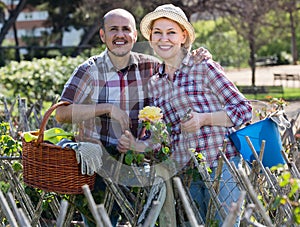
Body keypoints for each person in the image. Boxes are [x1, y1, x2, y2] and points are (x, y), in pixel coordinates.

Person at [55, 7, 211, 227]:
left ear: (135, 36)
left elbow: (182, 71)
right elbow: (61, 113)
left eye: (126, 29)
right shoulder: (89, 70)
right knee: (101, 222)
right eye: (113, 30)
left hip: (140, 166)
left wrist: (199, 56)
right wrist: (106, 108)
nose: (120, 35)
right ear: (103, 35)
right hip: (98, 167)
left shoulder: (151, 66)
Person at [119, 4, 253, 226]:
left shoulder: (203, 67)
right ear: (151, 39)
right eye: (158, 33)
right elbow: (161, 136)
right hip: (189, 173)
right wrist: (136, 143)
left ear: (183, 36)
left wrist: (204, 119)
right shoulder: (155, 83)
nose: (164, 39)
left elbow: (244, 110)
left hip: (222, 167)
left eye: (171, 32)